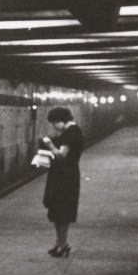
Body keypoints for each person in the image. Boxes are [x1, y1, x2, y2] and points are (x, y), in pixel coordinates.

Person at [40, 107, 84, 257]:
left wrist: (49, 144)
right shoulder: (72, 132)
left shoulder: (71, 134)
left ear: (61, 120)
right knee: (57, 211)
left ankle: (63, 245)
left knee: (62, 212)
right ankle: (59, 243)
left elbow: (61, 155)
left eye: (54, 123)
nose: (54, 126)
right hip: (64, 176)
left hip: (65, 177)